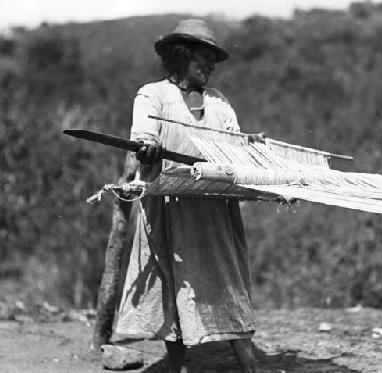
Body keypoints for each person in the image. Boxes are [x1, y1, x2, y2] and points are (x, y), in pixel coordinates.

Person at [115, 19, 257, 372]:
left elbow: (234, 143)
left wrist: (250, 147)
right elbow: (143, 136)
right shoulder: (153, 95)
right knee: (172, 287)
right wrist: (147, 150)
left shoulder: (218, 102)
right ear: (181, 57)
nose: (209, 67)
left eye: (212, 60)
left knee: (225, 282)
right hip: (169, 209)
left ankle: (251, 366)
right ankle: (176, 366)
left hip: (212, 212)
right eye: (202, 58)